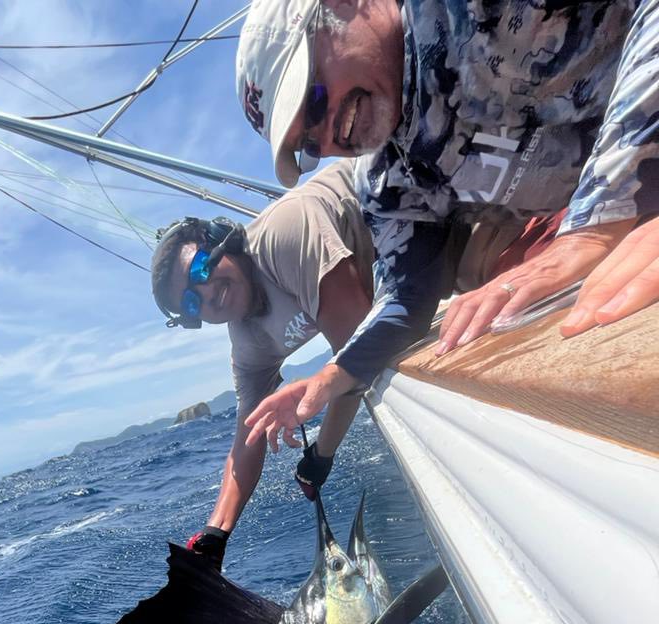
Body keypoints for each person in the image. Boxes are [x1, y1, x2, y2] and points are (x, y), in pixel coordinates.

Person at [235, 0, 659, 449]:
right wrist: (333, 374)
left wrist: (598, 217)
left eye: (313, 102)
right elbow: (407, 297)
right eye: (309, 144)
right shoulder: (391, 179)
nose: (330, 139)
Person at [151, 162, 374, 568]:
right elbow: (247, 437)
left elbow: (361, 351)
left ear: (222, 241)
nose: (205, 292)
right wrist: (216, 532)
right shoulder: (248, 341)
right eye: (190, 303)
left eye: (201, 268)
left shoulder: (282, 237)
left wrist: (322, 455)